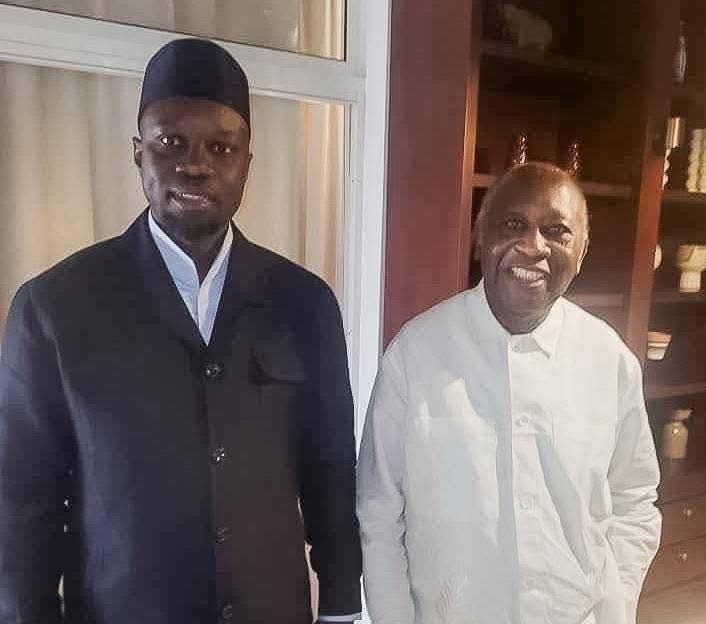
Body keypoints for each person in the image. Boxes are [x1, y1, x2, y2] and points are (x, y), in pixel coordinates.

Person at [0, 38, 361, 624]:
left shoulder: (304, 303)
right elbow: (23, 503)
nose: (195, 165)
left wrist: (342, 608)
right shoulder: (55, 307)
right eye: (171, 142)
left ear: (247, 163)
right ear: (137, 152)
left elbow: (331, 471)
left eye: (222, 147)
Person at [357, 162, 661, 624]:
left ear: (581, 251)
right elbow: (379, 511)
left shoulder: (609, 360)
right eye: (513, 225)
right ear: (480, 238)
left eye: (557, 231)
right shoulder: (416, 355)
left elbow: (634, 497)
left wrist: (615, 604)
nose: (533, 246)